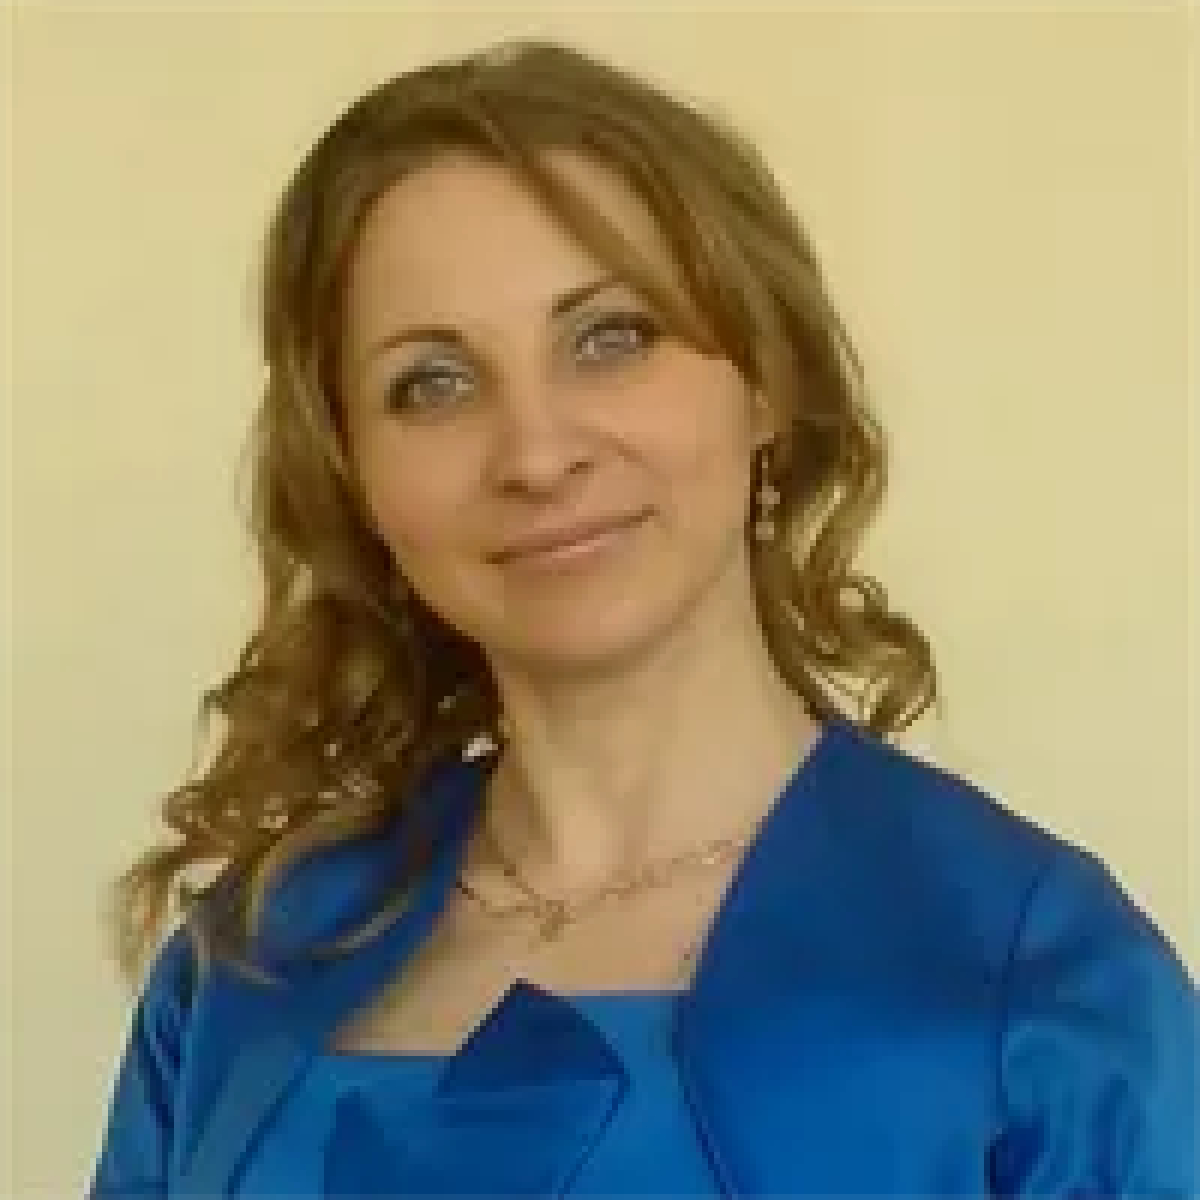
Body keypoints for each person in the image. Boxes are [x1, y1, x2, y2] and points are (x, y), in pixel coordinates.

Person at [89, 38, 1195, 1198]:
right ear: (355, 476)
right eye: (433, 383)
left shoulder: (1039, 984)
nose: (536, 452)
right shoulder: (243, 974)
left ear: (764, 380)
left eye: (610, 339)